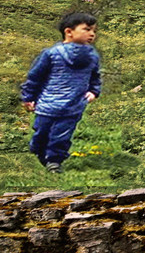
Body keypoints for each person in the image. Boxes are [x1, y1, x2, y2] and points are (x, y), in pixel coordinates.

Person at [19, 11, 102, 173]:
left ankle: (54, 162)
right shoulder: (51, 54)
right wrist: (28, 97)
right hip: (47, 104)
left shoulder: (92, 56)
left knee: (61, 136)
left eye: (94, 30)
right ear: (69, 32)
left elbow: (95, 76)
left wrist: (94, 91)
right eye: (86, 29)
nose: (92, 34)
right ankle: (40, 152)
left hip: (74, 105)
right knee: (41, 134)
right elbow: (35, 77)